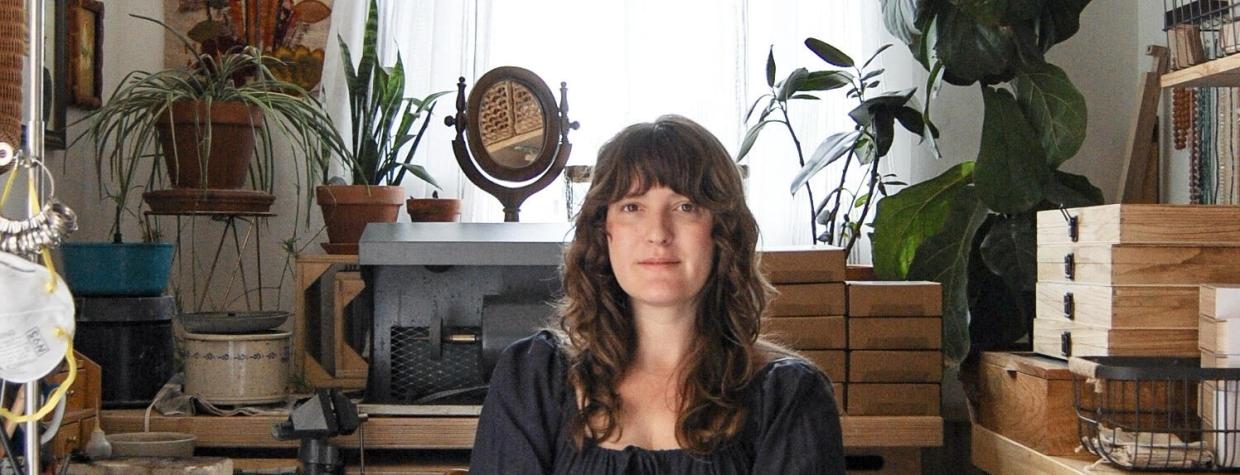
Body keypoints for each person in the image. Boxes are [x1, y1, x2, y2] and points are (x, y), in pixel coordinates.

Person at [469, 115, 845, 474]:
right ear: (605, 231)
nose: (658, 232)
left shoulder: (788, 396)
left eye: (685, 207)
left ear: (722, 232)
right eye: (632, 207)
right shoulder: (533, 378)